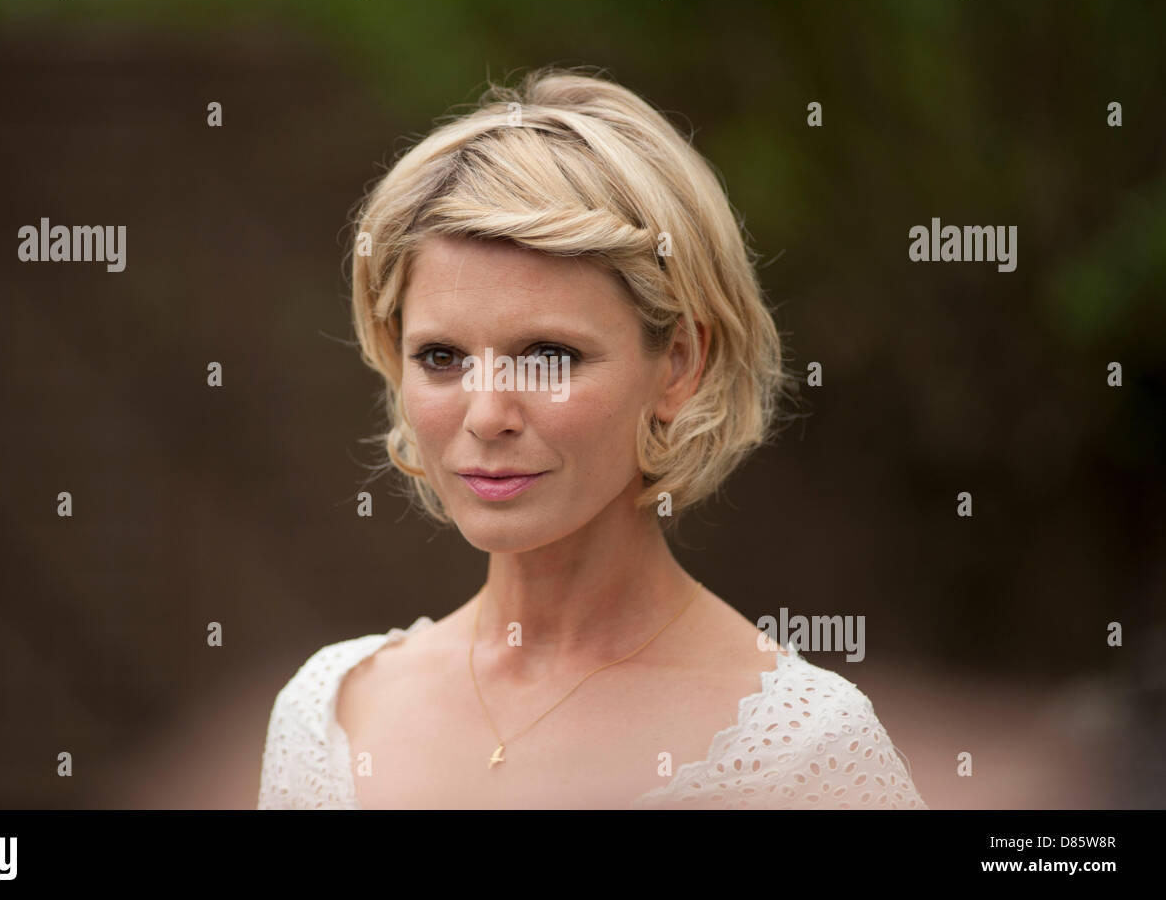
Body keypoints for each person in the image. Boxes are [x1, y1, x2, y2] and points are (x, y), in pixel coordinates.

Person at [258, 67, 926, 809]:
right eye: (442, 358)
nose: (487, 415)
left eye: (548, 356)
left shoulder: (805, 755)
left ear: (679, 363)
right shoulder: (328, 716)